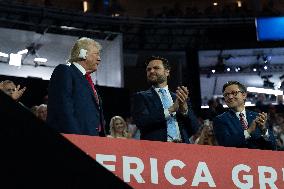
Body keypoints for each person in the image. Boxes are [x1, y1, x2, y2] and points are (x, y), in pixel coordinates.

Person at [131, 56, 200, 143]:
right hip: (157, 150)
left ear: (167, 72)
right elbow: (142, 122)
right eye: (148, 69)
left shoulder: (179, 98)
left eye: (156, 68)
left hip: (182, 149)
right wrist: (171, 109)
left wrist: (184, 110)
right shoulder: (141, 97)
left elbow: (195, 129)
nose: (151, 71)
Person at [47, 37, 105, 136]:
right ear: (83, 54)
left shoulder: (88, 81)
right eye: (96, 54)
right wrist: (77, 138)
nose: (99, 59)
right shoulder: (65, 71)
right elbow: (63, 108)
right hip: (74, 140)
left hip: (93, 142)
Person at [213, 80, 276, 150]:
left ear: (244, 95)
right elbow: (225, 144)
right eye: (226, 95)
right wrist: (249, 131)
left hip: (261, 160)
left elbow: (273, 146)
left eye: (234, 93)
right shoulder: (220, 120)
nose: (230, 97)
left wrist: (264, 130)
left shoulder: (258, 117)